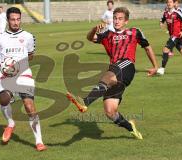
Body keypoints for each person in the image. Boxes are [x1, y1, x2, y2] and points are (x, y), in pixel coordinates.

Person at [67, 7, 158, 140]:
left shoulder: (134, 32)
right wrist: (94, 30)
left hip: (127, 66)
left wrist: (155, 66)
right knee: (110, 111)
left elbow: (147, 47)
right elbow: (90, 38)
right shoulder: (107, 34)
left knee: (109, 74)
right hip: (115, 73)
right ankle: (130, 127)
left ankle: (85, 102)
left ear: (126, 21)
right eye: (115, 18)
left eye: (120, 19)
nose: (117, 21)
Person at [0, 7, 46, 151]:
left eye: (18, 19)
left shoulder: (28, 36)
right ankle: (10, 123)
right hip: (5, 77)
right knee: (3, 99)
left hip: (24, 76)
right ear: (8, 20)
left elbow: (30, 56)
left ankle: (39, 141)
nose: (16, 22)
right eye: (13, 19)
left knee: (29, 107)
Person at [157, 0, 182, 75]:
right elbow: (162, 20)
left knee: (165, 49)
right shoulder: (165, 13)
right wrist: (161, 23)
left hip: (176, 36)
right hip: (174, 37)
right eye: (168, 2)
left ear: (173, 4)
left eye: (170, 2)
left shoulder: (177, 13)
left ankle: (162, 69)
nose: (169, 3)